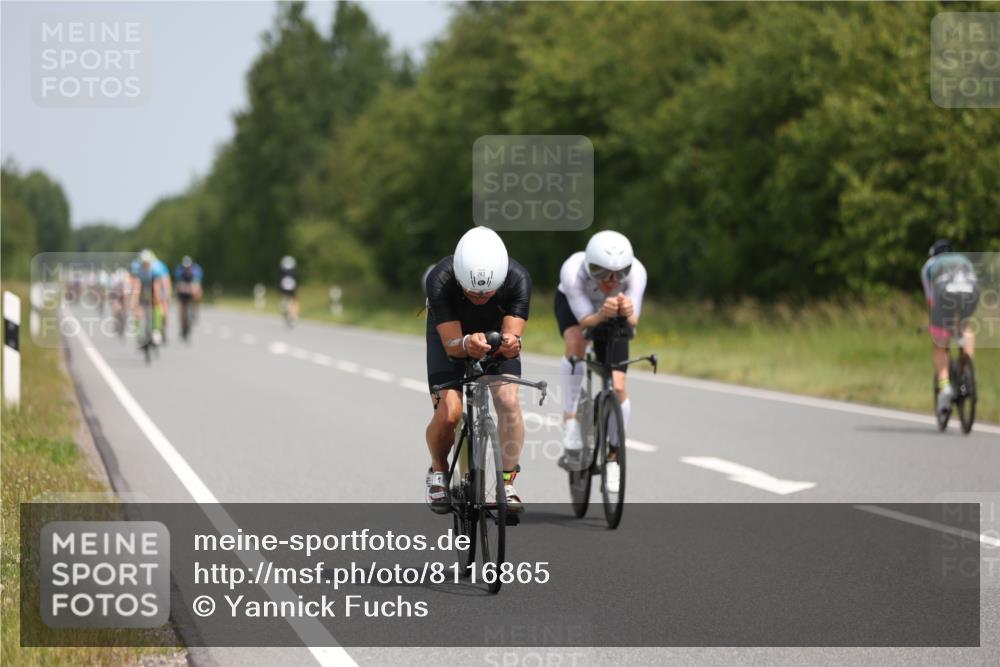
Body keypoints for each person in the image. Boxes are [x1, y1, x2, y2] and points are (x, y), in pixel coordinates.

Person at [424, 227, 532, 514]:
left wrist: (510, 345)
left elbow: (513, 336)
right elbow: (451, 346)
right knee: (449, 413)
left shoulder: (518, 278)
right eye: (472, 293)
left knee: (508, 401)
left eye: (488, 293)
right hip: (451, 337)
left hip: (494, 334)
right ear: (460, 279)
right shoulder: (441, 278)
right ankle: (438, 471)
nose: (480, 298)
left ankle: (507, 483)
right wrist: (466, 344)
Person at [554, 230, 647, 494]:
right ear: (587, 266)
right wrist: (600, 314)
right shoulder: (572, 271)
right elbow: (584, 322)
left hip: (614, 314)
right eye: (600, 271)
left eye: (619, 273)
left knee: (618, 386)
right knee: (575, 341)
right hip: (578, 310)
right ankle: (571, 419)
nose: (610, 280)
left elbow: (634, 323)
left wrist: (627, 313)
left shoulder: (638, 273)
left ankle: (614, 456)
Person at [921, 239, 980, 416]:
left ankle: (945, 386)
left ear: (933, 254)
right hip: (971, 292)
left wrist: (936, 326)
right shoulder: (964, 260)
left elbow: (931, 299)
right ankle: (968, 369)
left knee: (940, 343)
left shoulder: (930, 264)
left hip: (944, 292)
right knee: (965, 326)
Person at [129, 249, 170, 346]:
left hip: (154, 283)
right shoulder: (137, 268)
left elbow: (162, 284)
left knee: (157, 299)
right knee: (138, 306)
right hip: (142, 284)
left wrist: (164, 297)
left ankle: (156, 331)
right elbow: (136, 285)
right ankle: (138, 334)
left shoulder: (156, 268)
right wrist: (134, 300)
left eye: (147, 263)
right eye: (144, 264)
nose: (146, 265)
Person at [174, 256, 204, 339]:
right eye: (185, 267)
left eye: (188, 267)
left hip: (192, 287)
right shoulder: (179, 269)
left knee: (197, 290)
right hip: (183, 290)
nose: (187, 269)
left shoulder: (196, 270)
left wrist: (195, 290)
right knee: (182, 307)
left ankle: (195, 308)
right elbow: (178, 282)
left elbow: (197, 282)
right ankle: (182, 324)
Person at [278, 256, 299, 324]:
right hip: (292, 289)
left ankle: (284, 306)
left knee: (282, 297)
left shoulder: (282, 272)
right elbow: (296, 282)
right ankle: (294, 315)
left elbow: (279, 282)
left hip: (283, 288)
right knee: (295, 301)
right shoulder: (294, 272)